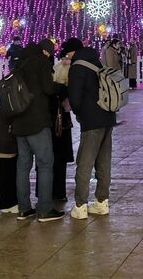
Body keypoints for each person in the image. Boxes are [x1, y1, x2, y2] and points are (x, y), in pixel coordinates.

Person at [12, 40, 64, 223]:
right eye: (49, 53)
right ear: (44, 51)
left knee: (23, 165)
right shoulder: (41, 62)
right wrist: (60, 87)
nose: (50, 57)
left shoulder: (20, 62)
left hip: (19, 121)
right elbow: (48, 88)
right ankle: (45, 209)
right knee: (45, 163)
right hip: (37, 122)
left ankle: (24, 209)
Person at [68, 45, 116, 219]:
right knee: (104, 162)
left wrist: (80, 114)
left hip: (91, 122)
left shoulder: (77, 68)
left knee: (85, 163)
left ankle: (80, 206)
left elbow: (74, 98)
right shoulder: (98, 64)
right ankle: (102, 202)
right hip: (108, 118)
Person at [49, 38, 83, 200]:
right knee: (59, 156)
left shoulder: (57, 66)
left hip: (54, 116)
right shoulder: (68, 67)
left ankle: (51, 191)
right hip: (60, 117)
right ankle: (57, 191)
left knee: (52, 157)